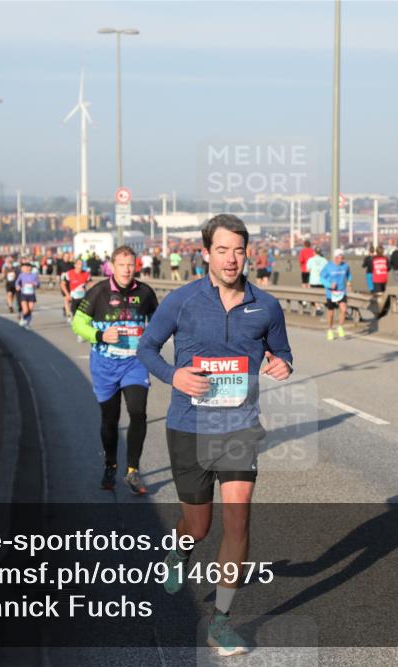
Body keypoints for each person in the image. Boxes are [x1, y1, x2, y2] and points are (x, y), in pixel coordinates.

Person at [137, 214, 292, 657]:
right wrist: (174, 376)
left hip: (239, 425)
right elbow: (147, 348)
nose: (231, 259)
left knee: (238, 515)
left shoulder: (266, 306)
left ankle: (221, 621)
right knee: (200, 526)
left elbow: (281, 353)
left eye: (238, 251)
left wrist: (282, 364)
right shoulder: (182, 302)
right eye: (222, 250)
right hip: (189, 425)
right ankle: (181, 547)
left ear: (248, 254)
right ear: (205, 253)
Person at [72, 246, 159, 494]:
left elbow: (158, 323)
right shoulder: (99, 292)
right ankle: (110, 464)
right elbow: (78, 323)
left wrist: (153, 342)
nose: (127, 269)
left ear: (136, 265)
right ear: (112, 266)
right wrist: (100, 334)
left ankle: (133, 471)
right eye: (122, 265)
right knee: (110, 420)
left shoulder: (145, 293)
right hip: (105, 365)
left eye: (131, 264)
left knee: (137, 411)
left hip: (134, 364)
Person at [320, 248, 352, 340]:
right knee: (331, 313)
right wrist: (329, 284)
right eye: (339, 257)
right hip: (331, 293)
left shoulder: (345, 266)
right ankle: (330, 330)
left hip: (341, 292)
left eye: (342, 257)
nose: (341, 259)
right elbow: (322, 278)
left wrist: (349, 282)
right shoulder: (328, 266)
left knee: (344, 309)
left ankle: (340, 327)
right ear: (335, 257)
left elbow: (349, 275)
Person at [14, 261, 41, 329]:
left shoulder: (34, 275)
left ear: (30, 268)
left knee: (30, 310)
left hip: (31, 294)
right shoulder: (21, 275)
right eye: (25, 267)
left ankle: (27, 323)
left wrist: (35, 284)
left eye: (28, 267)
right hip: (24, 294)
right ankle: (23, 319)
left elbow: (38, 284)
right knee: (26, 310)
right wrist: (17, 286)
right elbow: (17, 282)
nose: (26, 268)